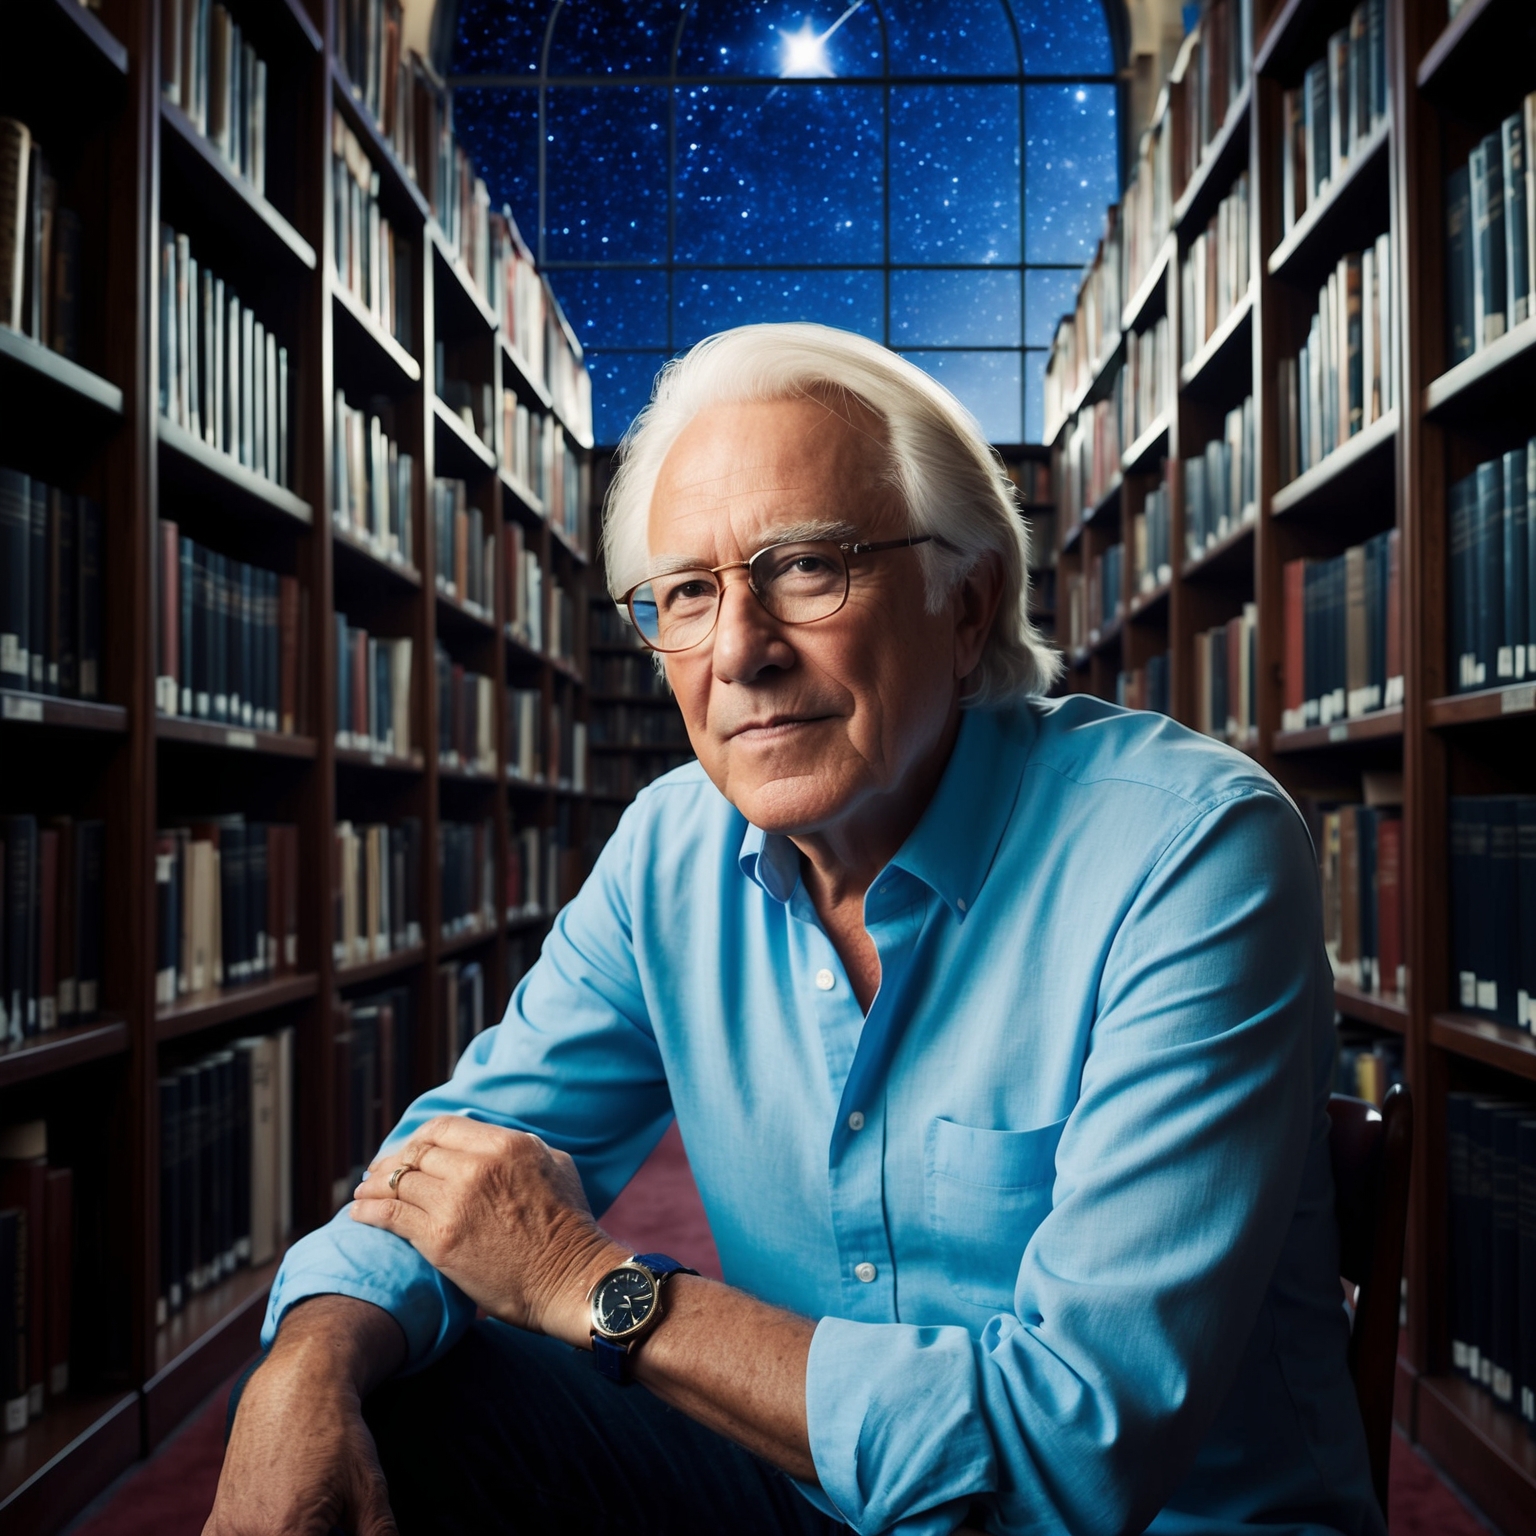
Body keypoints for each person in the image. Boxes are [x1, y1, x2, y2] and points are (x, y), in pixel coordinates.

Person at [207, 324, 1383, 1536]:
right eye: (686, 594)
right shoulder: (672, 849)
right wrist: (305, 1359)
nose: (740, 652)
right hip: (814, 1503)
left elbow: (1064, 1458)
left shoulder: (1190, 852)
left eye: (807, 568)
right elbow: (456, 1161)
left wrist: (592, 1285)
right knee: (400, 1397)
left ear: (966, 601)